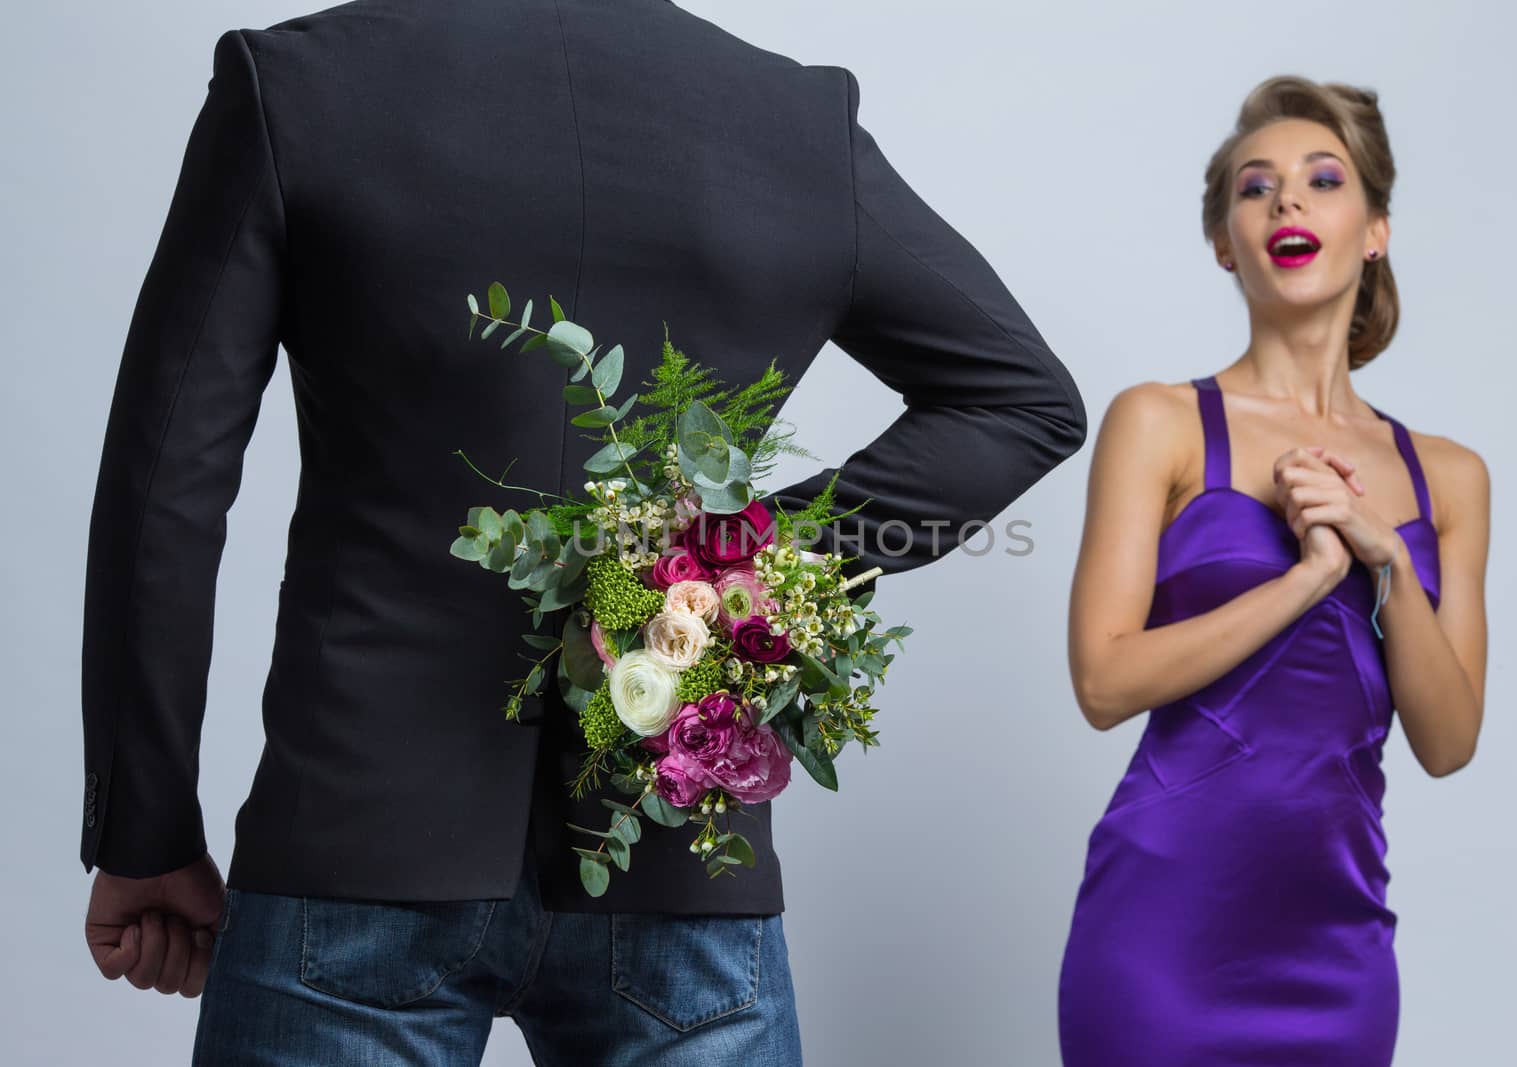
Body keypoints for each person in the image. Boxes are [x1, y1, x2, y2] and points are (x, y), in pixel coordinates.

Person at [78, 1, 1086, 1063]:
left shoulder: (298, 86)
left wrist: (145, 827)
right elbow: (1020, 401)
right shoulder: (796, 117)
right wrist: (726, 570)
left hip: (357, 838)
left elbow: (166, 486)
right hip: (673, 842)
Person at [1056, 75, 1489, 1065]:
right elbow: (1101, 681)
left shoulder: (1449, 476)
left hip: (1336, 943)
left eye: (1321, 179)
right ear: (1224, 241)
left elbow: (1449, 736)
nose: (1286, 201)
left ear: (1374, 228)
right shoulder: (1158, 421)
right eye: (1255, 188)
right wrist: (1304, 576)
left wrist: (1381, 555)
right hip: (1160, 931)